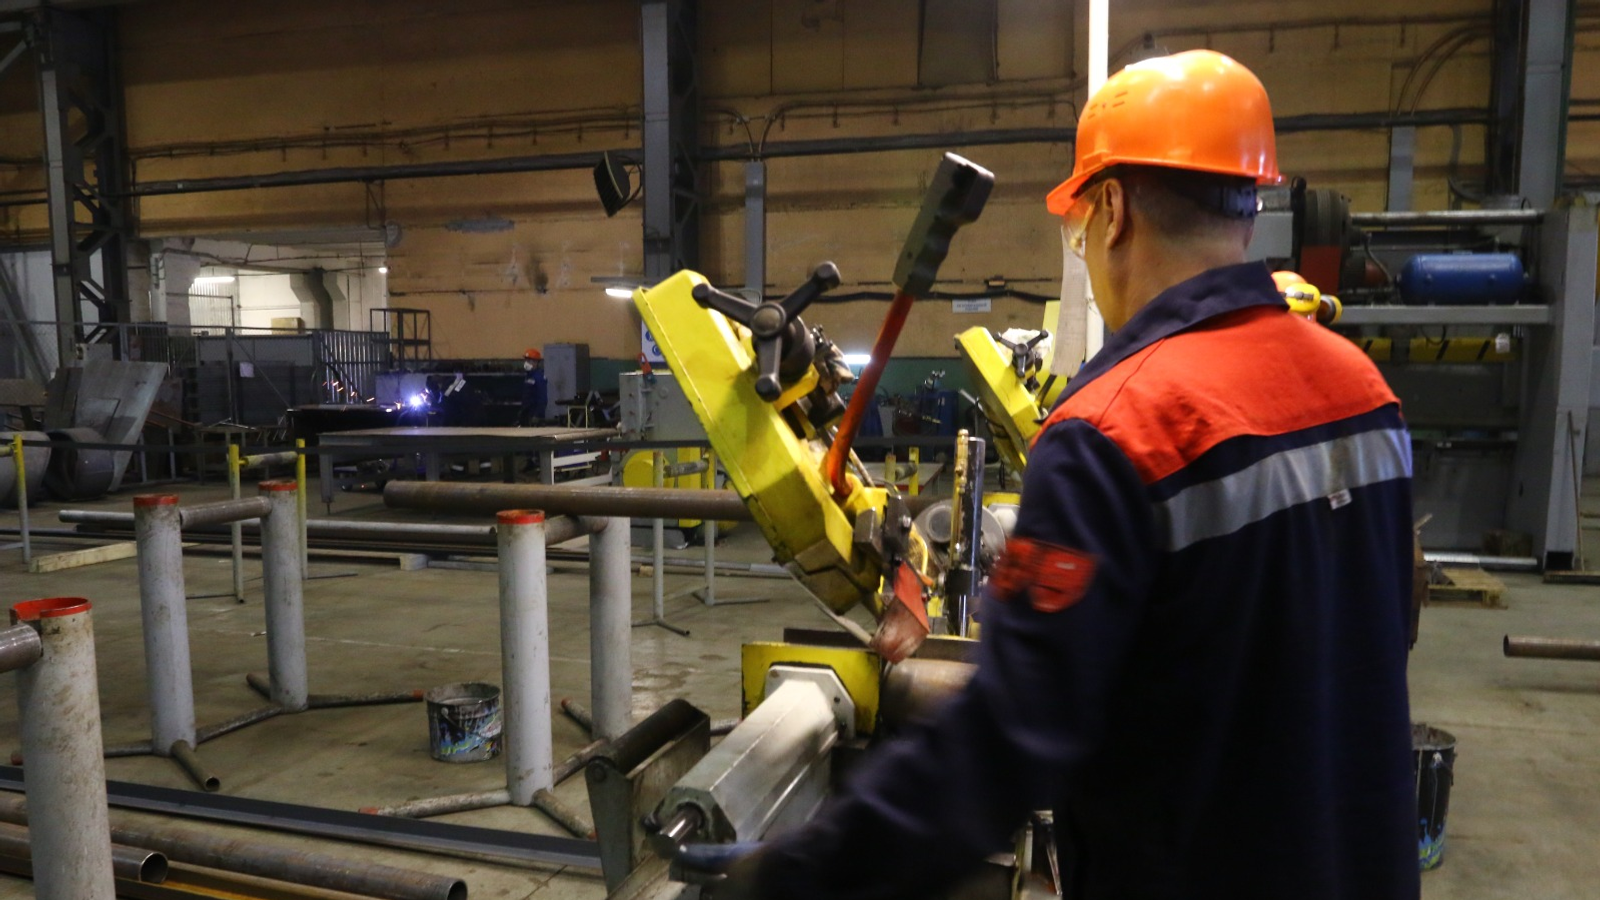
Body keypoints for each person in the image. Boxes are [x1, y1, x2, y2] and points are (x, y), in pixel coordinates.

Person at [699, 50, 1420, 900]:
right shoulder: (1361, 389)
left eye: (1076, 220)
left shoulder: (1116, 428)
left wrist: (793, 873)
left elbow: (1004, 742)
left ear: (1111, 209)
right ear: (1247, 201)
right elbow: (1387, 621)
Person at [517, 348, 549, 426]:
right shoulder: (528, 376)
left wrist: (537, 415)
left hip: (534, 415)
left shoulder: (539, 377)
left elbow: (542, 398)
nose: (526, 363)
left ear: (536, 362)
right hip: (527, 413)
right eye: (526, 360)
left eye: (529, 360)